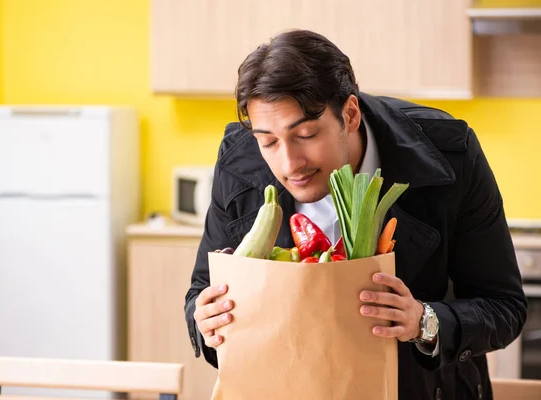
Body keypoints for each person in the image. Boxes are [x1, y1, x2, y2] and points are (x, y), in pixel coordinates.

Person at [183, 29, 527, 400]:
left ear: (349, 113)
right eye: (268, 141)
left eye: (307, 134)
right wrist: (205, 321)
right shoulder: (239, 163)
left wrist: (423, 321)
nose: (289, 163)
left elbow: (503, 306)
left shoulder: (451, 152)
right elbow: (202, 293)